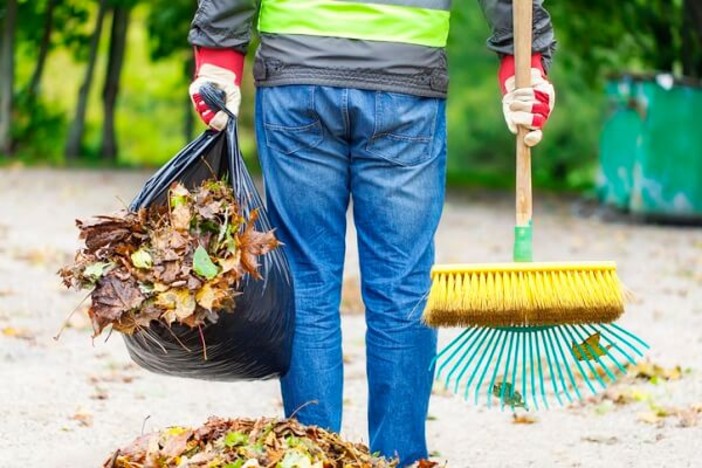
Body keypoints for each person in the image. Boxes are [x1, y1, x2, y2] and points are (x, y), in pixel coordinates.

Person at [187, 1, 555, 465]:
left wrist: (218, 58)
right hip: (406, 83)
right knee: (403, 287)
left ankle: (312, 457)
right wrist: (525, 66)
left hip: (298, 75)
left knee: (305, 278)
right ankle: (401, 459)